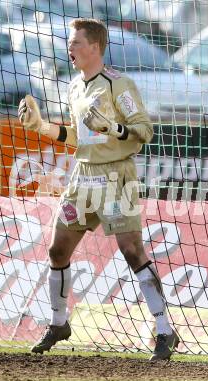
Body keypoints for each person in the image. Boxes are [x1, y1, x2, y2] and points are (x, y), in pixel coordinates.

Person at [18, 18, 179, 361]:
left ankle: (165, 330)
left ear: (95, 47)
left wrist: (114, 128)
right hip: (83, 175)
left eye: (76, 43)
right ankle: (59, 323)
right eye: (70, 43)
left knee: (131, 251)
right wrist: (42, 126)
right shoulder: (75, 87)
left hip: (116, 176)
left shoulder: (117, 85)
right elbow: (77, 136)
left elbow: (145, 131)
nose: (70, 49)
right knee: (57, 250)